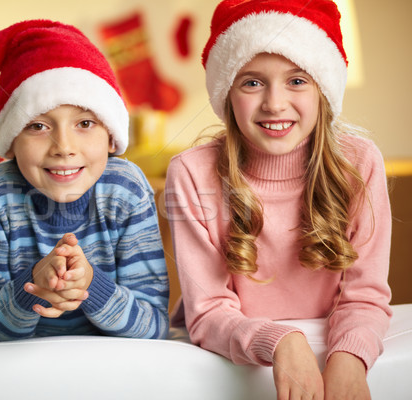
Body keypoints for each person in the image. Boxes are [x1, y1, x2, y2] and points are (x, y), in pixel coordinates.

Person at [165, 1, 391, 399]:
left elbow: (365, 294)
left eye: (297, 81)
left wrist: (349, 358)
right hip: (232, 353)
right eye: (252, 82)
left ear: (323, 88)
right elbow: (208, 312)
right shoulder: (191, 172)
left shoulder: (360, 163)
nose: (274, 103)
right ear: (227, 94)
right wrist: (282, 340)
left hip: (327, 343)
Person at [0, 20, 169, 341]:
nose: (64, 148)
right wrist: (32, 287)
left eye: (84, 123)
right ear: (11, 140)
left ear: (111, 138)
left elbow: (153, 325)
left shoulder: (126, 188)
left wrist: (90, 285)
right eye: (38, 126)